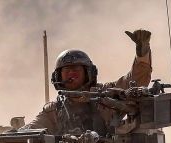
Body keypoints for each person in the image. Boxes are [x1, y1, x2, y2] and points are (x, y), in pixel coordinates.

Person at [22, 29, 152, 135]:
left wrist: (142, 54)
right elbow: (33, 128)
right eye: (66, 70)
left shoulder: (106, 95)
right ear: (58, 77)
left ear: (88, 74)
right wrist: (15, 133)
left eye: (76, 69)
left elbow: (135, 82)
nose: (71, 74)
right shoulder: (55, 110)